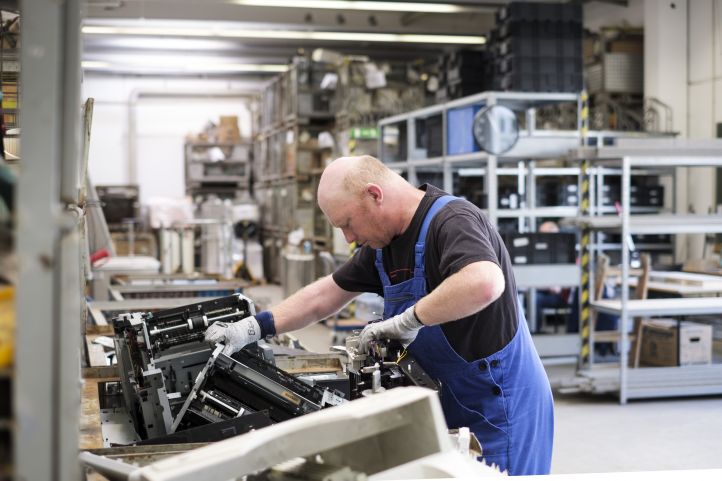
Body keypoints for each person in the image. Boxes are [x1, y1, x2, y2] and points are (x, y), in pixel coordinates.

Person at [205, 155, 553, 475]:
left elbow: (484, 282)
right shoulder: (382, 246)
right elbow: (325, 294)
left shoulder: (452, 221)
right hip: (443, 401)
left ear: (375, 195)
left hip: (498, 408)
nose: (349, 237)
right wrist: (253, 327)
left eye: (348, 224)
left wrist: (409, 320)